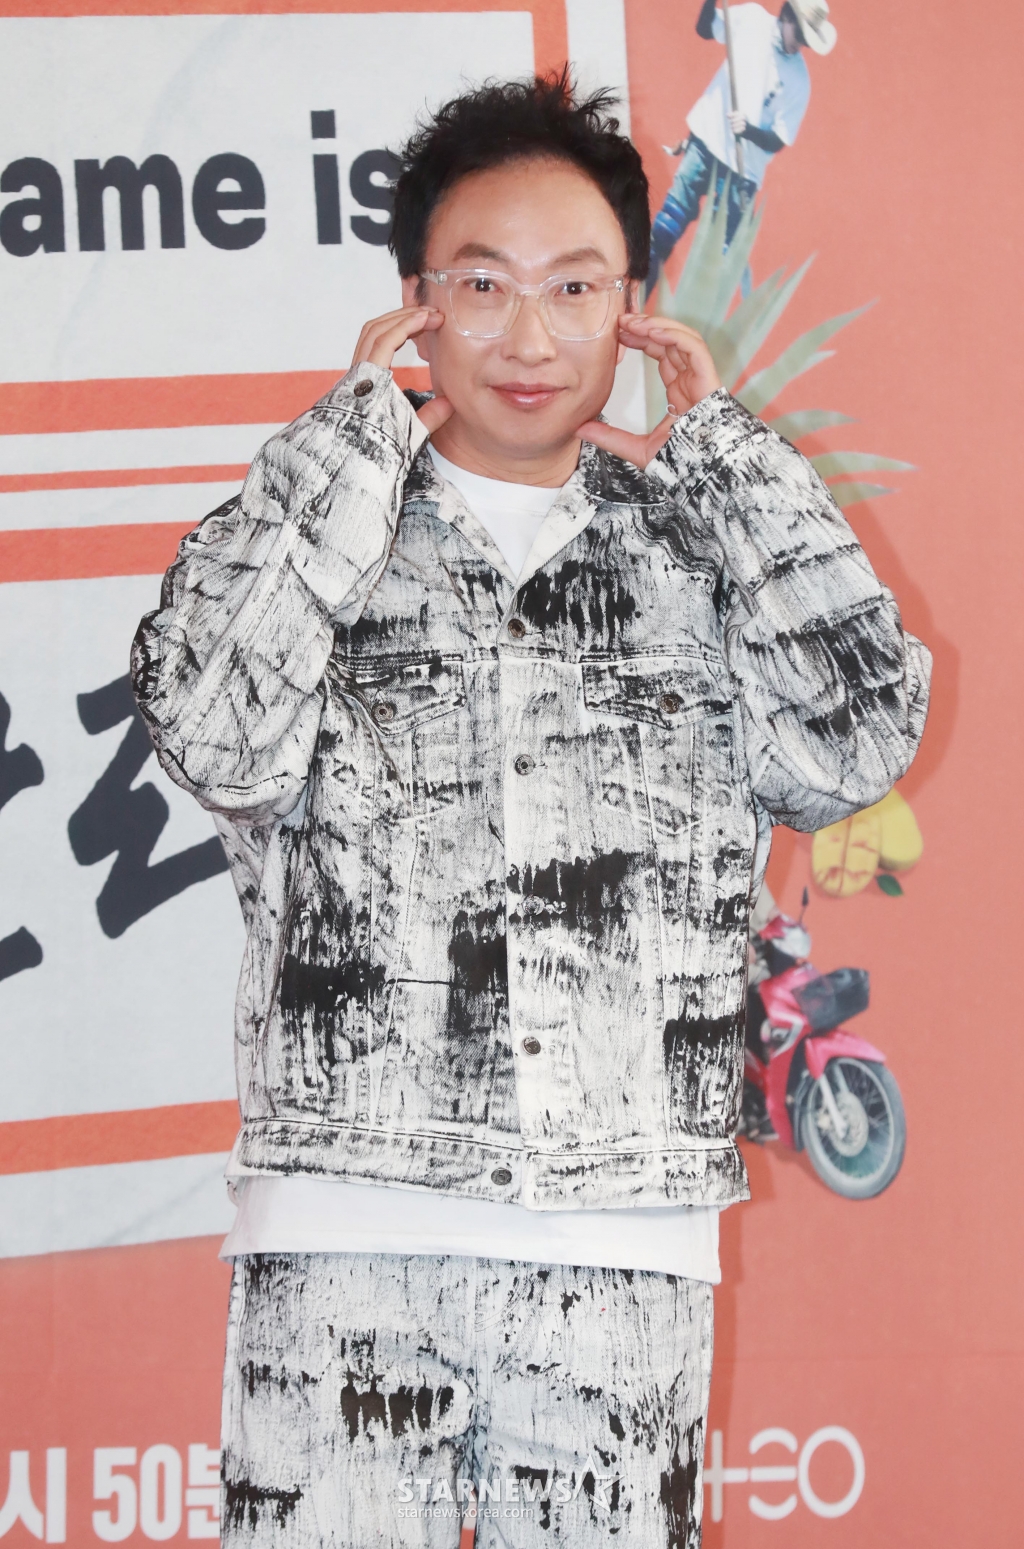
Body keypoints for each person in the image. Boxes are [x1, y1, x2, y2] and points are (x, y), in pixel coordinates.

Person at [130, 70, 929, 1548]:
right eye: (483, 284)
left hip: (625, 1248)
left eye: (576, 287)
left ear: (633, 312)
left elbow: (855, 745)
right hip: (344, 1231)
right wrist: (351, 449)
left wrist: (728, 457)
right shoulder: (318, 533)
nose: (530, 335)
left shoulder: (694, 547)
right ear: (415, 305)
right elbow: (212, 736)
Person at [646, 0, 836, 293]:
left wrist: (748, 131)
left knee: (716, 264)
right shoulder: (752, 20)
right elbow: (705, 29)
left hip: (742, 174)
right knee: (665, 228)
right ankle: (634, 297)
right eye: (800, 35)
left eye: (807, 41)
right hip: (705, 143)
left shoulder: (799, 81)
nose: (801, 45)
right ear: (787, 17)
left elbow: (779, 140)